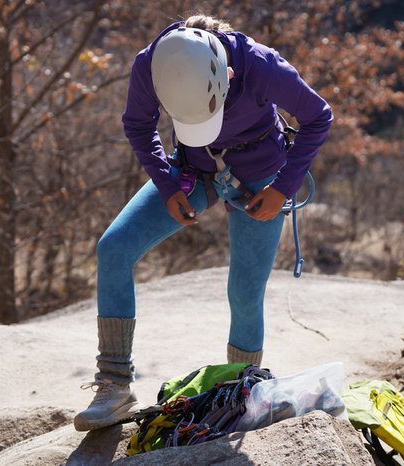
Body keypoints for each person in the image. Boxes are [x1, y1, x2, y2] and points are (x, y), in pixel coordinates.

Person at [73, 14, 332, 432]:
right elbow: (138, 124)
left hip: (262, 177)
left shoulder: (261, 66)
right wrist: (167, 185)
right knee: (114, 248)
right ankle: (114, 385)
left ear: (228, 75)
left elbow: (318, 116)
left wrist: (283, 188)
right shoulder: (153, 65)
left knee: (245, 292)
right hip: (192, 170)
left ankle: (242, 395)